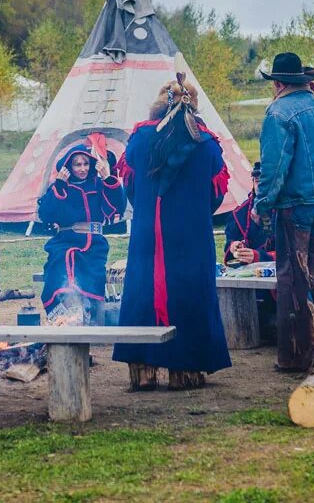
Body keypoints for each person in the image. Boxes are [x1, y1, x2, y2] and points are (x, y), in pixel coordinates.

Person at [113, 74, 232, 391]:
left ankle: (143, 371)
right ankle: (186, 371)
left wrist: (150, 207)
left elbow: (131, 186)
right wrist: (193, 209)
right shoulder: (205, 143)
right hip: (191, 233)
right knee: (189, 291)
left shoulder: (139, 139)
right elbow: (216, 193)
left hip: (148, 232)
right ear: (192, 105)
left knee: (143, 290)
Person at [255, 52, 314, 372]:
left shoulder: (279, 114)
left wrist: (261, 203)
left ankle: (299, 355)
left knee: (293, 278)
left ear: (278, 83)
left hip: (294, 206)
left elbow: (275, 168)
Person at [37, 141, 126, 324]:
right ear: (69, 166)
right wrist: (60, 185)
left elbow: (118, 206)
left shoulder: (98, 184)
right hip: (65, 241)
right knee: (62, 261)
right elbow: (46, 213)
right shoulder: (61, 187)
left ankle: (85, 311)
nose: (83, 168)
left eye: (86, 164)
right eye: (78, 164)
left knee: (87, 266)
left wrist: (108, 178)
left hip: (94, 244)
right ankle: (64, 313)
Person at [224, 161, 277, 342]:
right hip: (247, 283)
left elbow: (291, 253)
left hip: (277, 287)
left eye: (264, 180)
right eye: (256, 180)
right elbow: (229, 245)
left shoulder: (285, 212)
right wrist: (234, 247)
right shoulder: (240, 214)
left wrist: (258, 257)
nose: (260, 184)